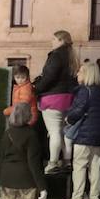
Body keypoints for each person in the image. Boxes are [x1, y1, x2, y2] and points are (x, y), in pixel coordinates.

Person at [65, 62, 100, 199]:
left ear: (87, 74)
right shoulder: (99, 91)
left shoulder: (84, 91)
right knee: (96, 166)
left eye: (80, 72)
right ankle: (94, 197)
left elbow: (78, 110)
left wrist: (68, 119)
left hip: (84, 134)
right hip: (99, 134)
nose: (77, 75)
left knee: (79, 166)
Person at [33, 31, 78, 174]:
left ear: (61, 40)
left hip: (52, 98)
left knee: (54, 132)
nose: (51, 41)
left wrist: (36, 88)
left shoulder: (56, 55)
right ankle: (67, 161)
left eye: (53, 39)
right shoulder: (72, 56)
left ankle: (53, 163)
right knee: (65, 132)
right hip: (68, 98)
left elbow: (49, 77)